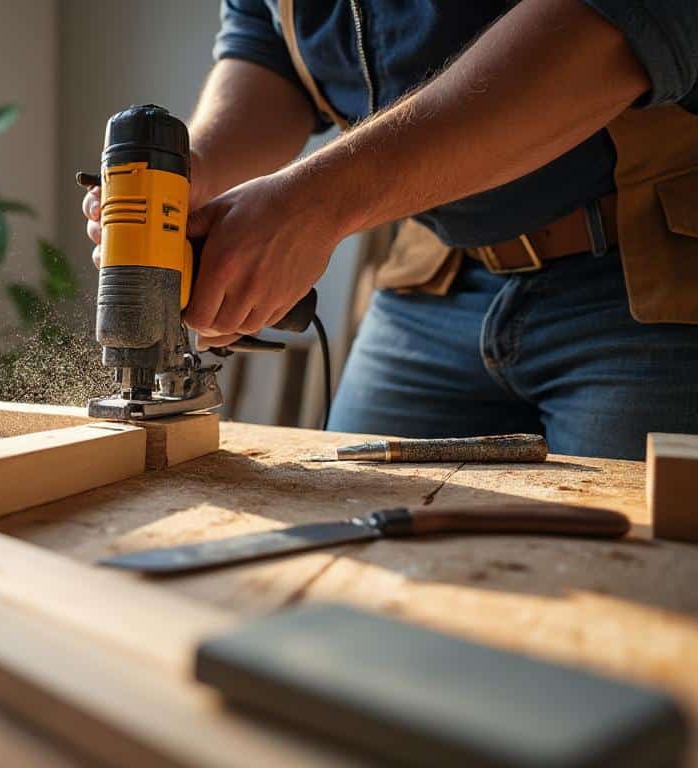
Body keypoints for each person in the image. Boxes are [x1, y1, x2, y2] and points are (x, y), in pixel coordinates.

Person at [81, 0, 698, 460]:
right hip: (437, 279)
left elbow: (615, 25)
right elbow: (268, 52)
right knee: (345, 539)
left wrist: (315, 203)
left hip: (649, 276)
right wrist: (188, 180)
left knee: (629, 585)